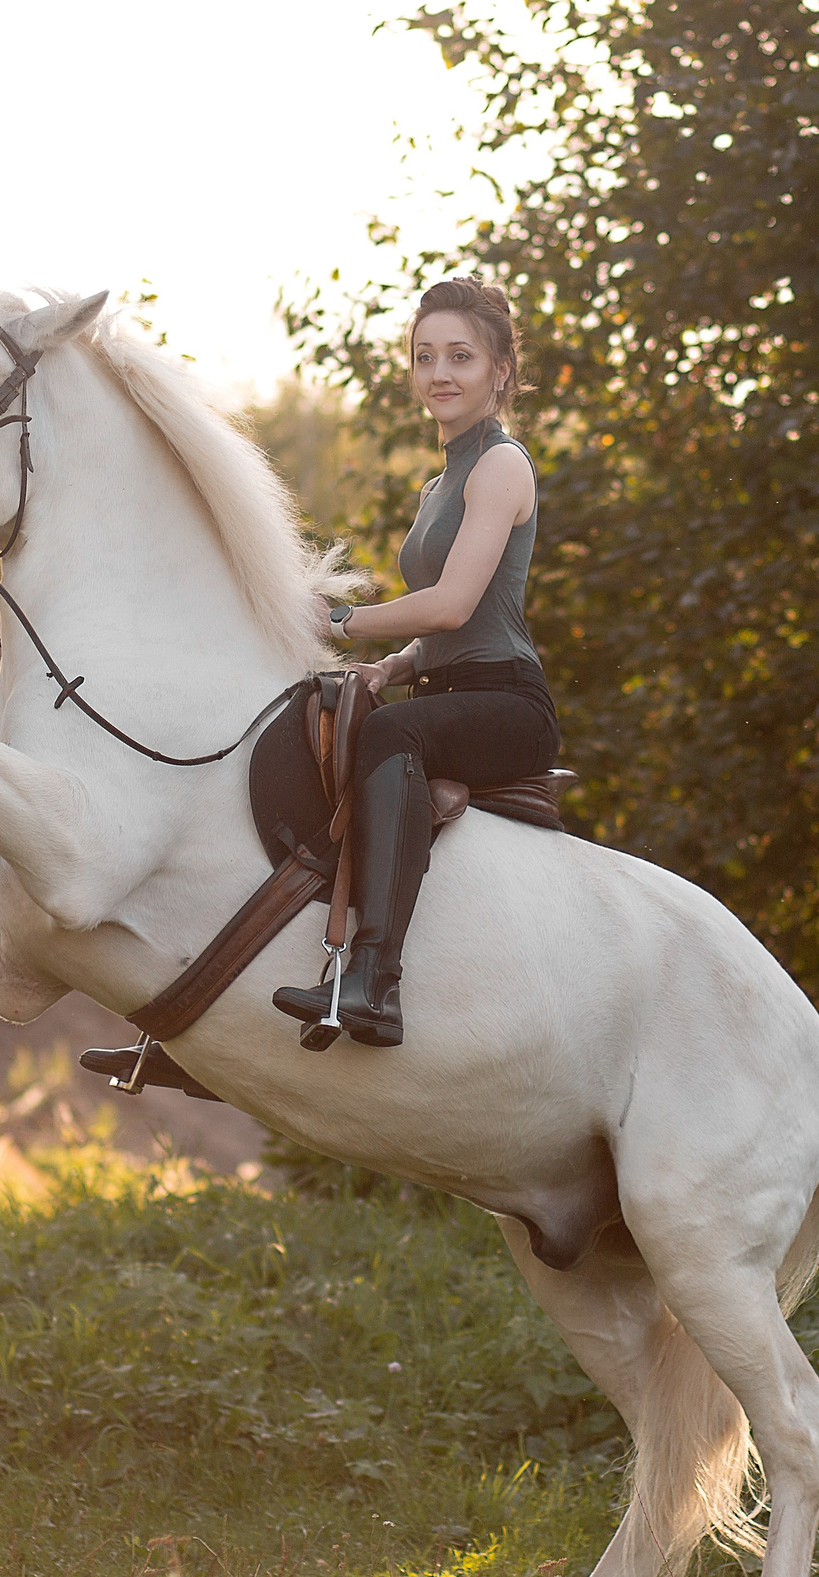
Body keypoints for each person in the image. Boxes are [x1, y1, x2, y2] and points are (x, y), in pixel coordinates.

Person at [273, 277, 559, 1048]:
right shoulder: (439, 483)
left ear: (500, 371)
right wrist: (388, 668)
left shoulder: (502, 466)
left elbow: (453, 606)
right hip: (447, 686)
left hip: (507, 704)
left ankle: (373, 979)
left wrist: (337, 619)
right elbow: (436, 630)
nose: (440, 372)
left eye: (461, 356)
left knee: (389, 735)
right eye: (425, 355)